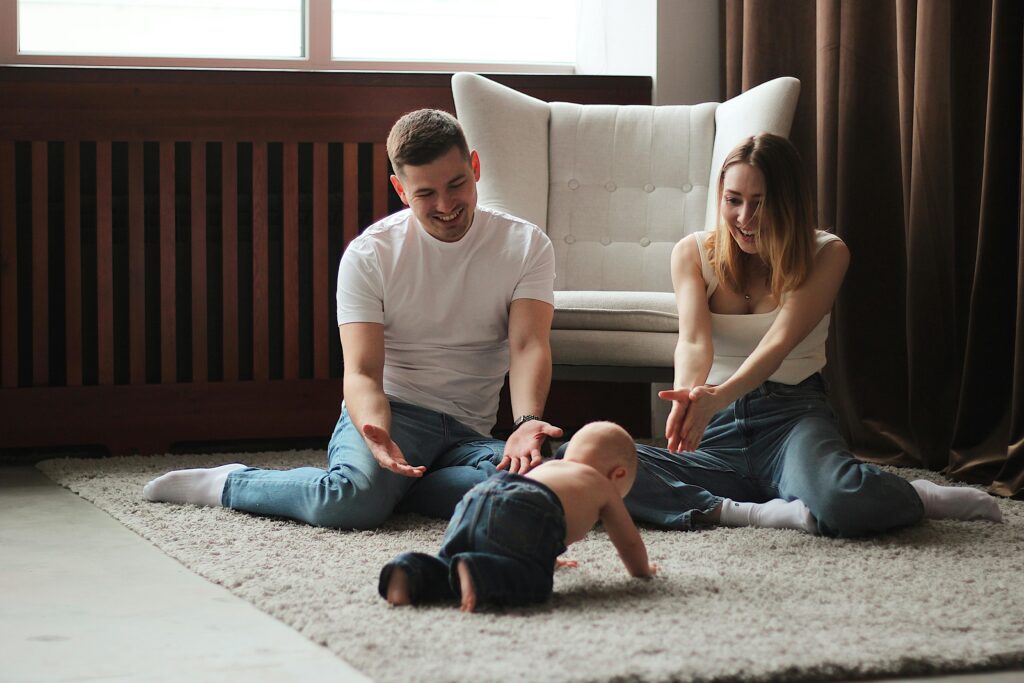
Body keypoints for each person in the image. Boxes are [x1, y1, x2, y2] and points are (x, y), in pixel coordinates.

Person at [142, 109, 563, 528]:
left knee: (534, 484)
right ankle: (230, 482)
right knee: (349, 501)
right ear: (401, 190)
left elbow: (528, 344)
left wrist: (525, 423)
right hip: (394, 414)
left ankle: (397, 488)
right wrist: (376, 432)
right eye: (425, 193)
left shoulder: (526, 245)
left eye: (456, 184)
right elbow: (362, 372)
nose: (446, 205)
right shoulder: (371, 254)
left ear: (475, 167)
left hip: (469, 433)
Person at [618, 133, 1003, 538]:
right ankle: (746, 512)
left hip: (791, 416)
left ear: (789, 201)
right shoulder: (692, 253)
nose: (745, 218)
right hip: (718, 429)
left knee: (843, 501)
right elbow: (695, 342)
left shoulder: (827, 253)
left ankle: (915, 495)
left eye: (761, 202)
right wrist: (689, 399)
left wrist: (719, 395)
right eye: (734, 200)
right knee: (593, 462)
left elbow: (778, 342)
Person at [380, 421, 657, 612]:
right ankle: (479, 572)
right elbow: (628, 542)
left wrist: (548, 557)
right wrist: (642, 572)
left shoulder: (551, 468)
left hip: (479, 496)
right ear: (618, 474)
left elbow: (532, 531)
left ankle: (410, 571)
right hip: (528, 506)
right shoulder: (603, 485)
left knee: (449, 568)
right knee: (533, 582)